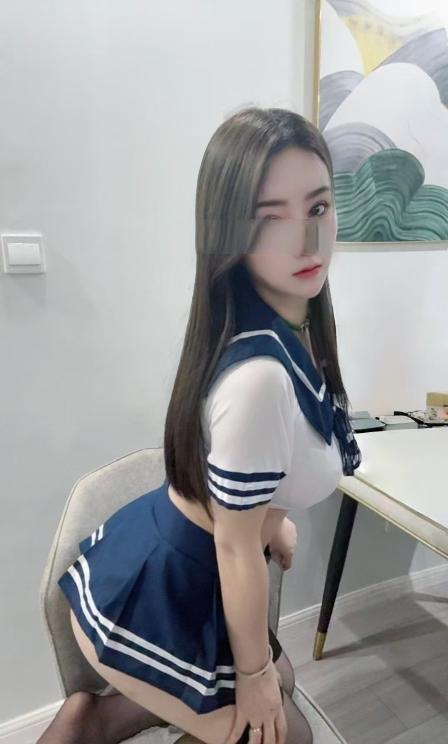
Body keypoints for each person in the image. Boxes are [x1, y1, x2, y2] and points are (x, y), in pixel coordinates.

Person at [38, 107, 361, 744]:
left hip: (203, 558)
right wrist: (253, 674)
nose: (307, 239)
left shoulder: (289, 325)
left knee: (281, 685)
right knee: (280, 729)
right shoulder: (258, 377)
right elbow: (234, 546)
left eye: (318, 207)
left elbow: (255, 477)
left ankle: (98, 718)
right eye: (271, 217)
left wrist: (273, 520)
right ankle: (93, 724)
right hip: (176, 581)